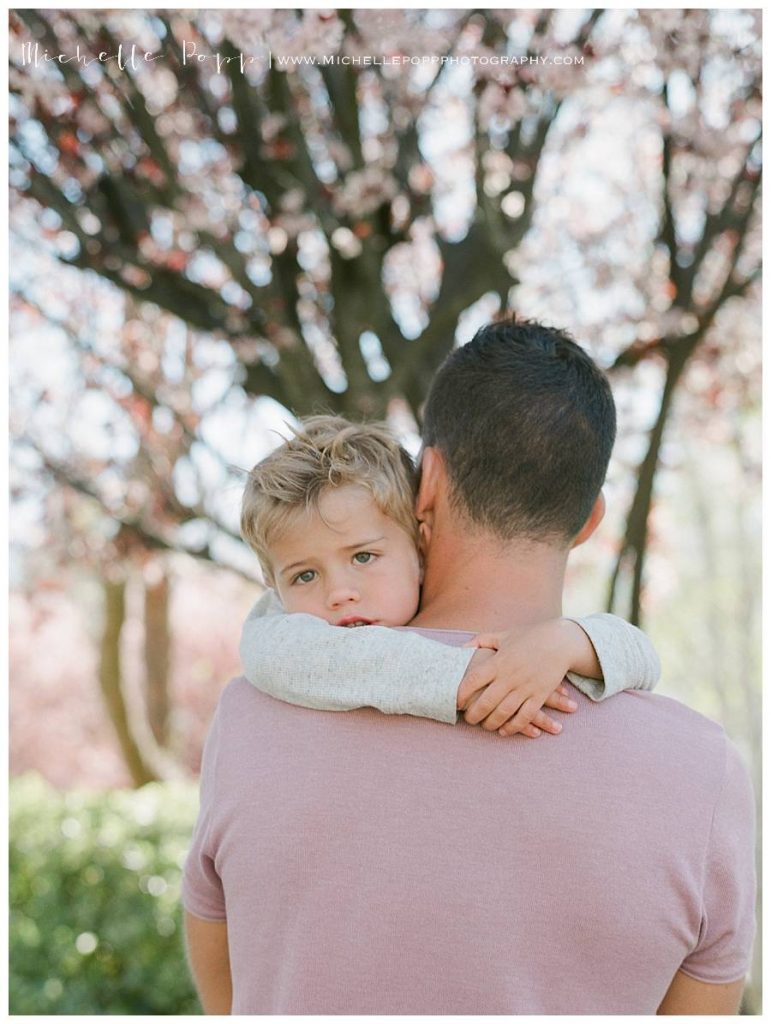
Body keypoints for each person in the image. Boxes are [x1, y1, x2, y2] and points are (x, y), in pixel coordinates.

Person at [183, 318, 756, 1014]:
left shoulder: (252, 716)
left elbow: (227, 991)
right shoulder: (703, 771)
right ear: (587, 520)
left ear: (427, 483)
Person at [236, 415, 661, 735]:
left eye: (363, 557)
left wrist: (570, 641)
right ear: (274, 587)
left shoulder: (540, 639)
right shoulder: (280, 633)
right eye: (304, 576)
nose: (339, 593)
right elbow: (284, 656)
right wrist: (457, 675)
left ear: (421, 546)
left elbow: (645, 660)